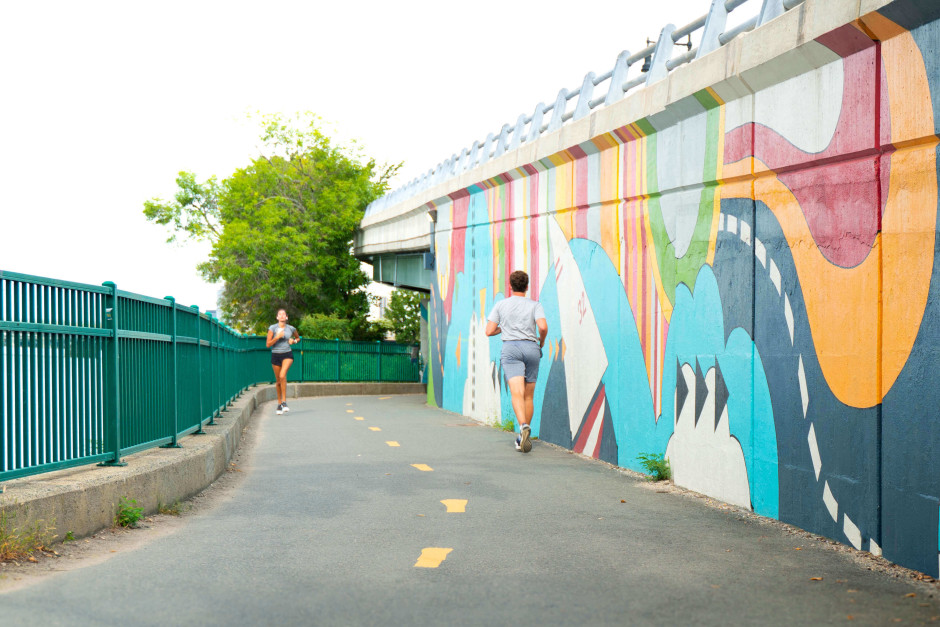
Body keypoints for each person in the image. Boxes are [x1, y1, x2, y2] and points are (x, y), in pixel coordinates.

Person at [485, 270, 548, 452]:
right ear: (527, 287)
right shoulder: (535, 305)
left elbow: (489, 331)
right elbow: (542, 326)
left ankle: (523, 426)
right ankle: (522, 437)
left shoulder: (501, 305)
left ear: (510, 286)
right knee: (528, 395)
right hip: (531, 348)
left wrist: (503, 328)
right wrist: (541, 341)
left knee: (516, 393)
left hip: (511, 348)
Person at [266, 308, 300, 415]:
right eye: (279, 314)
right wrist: (277, 337)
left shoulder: (291, 328)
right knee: (278, 381)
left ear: (286, 317)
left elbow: (298, 338)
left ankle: (284, 402)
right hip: (276, 355)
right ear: (277, 317)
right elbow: (268, 344)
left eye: (284, 314)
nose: (282, 316)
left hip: (287, 354)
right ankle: (279, 404)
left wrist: (293, 341)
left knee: (282, 375)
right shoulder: (273, 328)